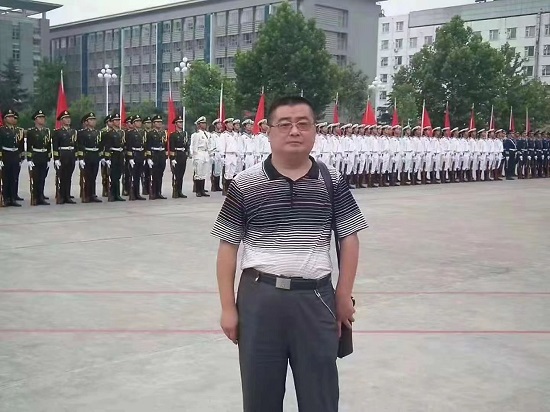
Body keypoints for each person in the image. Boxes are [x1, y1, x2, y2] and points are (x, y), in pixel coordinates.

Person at [212, 96, 367, 412]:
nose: (294, 131)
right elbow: (228, 247)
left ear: (314, 131)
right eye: (284, 124)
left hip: (316, 299)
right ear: (268, 131)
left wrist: (343, 295)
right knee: (260, 396)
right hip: (259, 300)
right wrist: (228, 307)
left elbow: (349, 238)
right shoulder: (245, 183)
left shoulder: (332, 180)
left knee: (320, 396)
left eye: (303, 124)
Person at [25, 110, 52, 205]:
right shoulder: (31, 132)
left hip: (43, 156)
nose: (42, 119)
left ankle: (41, 196)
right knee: (35, 178)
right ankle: (35, 197)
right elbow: (29, 146)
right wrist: (29, 159)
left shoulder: (47, 131)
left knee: (42, 178)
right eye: (40, 118)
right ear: (35, 120)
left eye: (43, 117)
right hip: (35, 156)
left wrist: (49, 158)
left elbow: (48, 146)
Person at [0, 109, 25, 207]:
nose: (11, 118)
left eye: (12, 117)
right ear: (5, 119)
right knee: (6, 178)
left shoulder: (17, 130)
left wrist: (21, 157)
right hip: (6, 155)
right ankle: (6, 198)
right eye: (9, 117)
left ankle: (13, 198)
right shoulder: (2, 130)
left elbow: (20, 145)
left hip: (15, 155)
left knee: (14, 177)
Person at [52, 110, 77, 204]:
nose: (68, 120)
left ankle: (67, 196)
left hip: (71, 155)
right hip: (62, 155)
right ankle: (61, 196)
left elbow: (76, 145)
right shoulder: (58, 132)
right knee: (61, 176)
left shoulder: (73, 132)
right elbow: (55, 146)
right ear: (62, 120)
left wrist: (77, 156)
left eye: (69, 118)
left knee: (68, 176)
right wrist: (56, 159)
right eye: (66, 118)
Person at [76, 112, 102, 203]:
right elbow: (80, 145)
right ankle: (86, 194)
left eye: (94, 119)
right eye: (91, 120)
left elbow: (100, 145)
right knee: (87, 176)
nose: (93, 121)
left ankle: (92, 194)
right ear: (86, 122)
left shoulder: (98, 132)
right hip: (87, 155)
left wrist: (101, 156)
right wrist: (81, 158)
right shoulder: (82, 133)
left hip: (95, 155)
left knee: (94, 176)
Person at [102, 113, 126, 202]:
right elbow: (107, 146)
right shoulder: (109, 133)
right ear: (112, 122)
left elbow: (124, 145)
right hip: (113, 155)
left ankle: (117, 194)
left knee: (118, 175)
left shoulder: (122, 132)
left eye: (118, 120)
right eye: (115, 120)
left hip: (120, 155)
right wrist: (107, 158)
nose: (117, 122)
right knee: (113, 176)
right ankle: (112, 194)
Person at [145, 114, 168, 199]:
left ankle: (159, 192)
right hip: (154, 154)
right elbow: (148, 146)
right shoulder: (150, 133)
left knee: (160, 174)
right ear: (153, 123)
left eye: (160, 122)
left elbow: (165, 145)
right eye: (157, 122)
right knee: (154, 175)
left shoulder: (163, 133)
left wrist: (166, 156)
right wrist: (149, 158)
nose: (159, 123)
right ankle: (153, 192)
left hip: (161, 154)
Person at [125, 116, 147, 201]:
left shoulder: (143, 133)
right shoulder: (130, 133)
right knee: (133, 176)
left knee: (138, 175)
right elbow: (129, 146)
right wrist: (130, 158)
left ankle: (137, 193)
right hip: (134, 155)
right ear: (133, 123)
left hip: (141, 154)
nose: (139, 123)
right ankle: (132, 193)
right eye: (137, 121)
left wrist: (145, 157)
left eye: (140, 121)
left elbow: (145, 145)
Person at [169, 115, 190, 198]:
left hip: (182, 155)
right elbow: (172, 147)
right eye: (179, 122)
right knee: (176, 174)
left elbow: (186, 145)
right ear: (175, 124)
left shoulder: (184, 134)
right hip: (177, 155)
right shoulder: (173, 135)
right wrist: (172, 159)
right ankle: (175, 191)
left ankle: (180, 191)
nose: (181, 124)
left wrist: (187, 153)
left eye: (181, 122)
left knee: (181, 174)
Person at [190, 116, 211, 197]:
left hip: (205, 153)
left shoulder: (207, 134)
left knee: (203, 173)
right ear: (198, 125)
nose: (204, 125)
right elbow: (194, 146)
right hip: (199, 153)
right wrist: (195, 156)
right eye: (202, 123)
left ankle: (202, 190)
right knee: (198, 173)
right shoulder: (196, 134)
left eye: (205, 123)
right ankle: (198, 190)